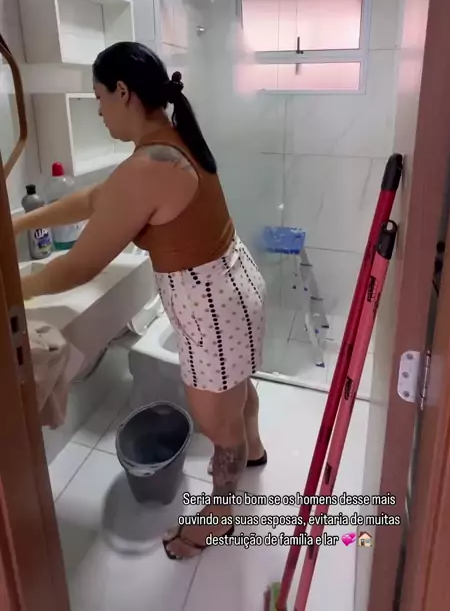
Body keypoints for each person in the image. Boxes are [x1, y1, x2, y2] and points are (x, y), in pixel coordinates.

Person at [14, 41, 267, 560]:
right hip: (230, 290)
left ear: (123, 92)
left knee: (219, 424)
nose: (100, 111)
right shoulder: (169, 140)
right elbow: (95, 200)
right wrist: (17, 224)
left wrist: (13, 290)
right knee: (236, 392)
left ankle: (220, 517)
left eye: (99, 98)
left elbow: (78, 266)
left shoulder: (151, 165)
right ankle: (255, 451)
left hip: (212, 310)